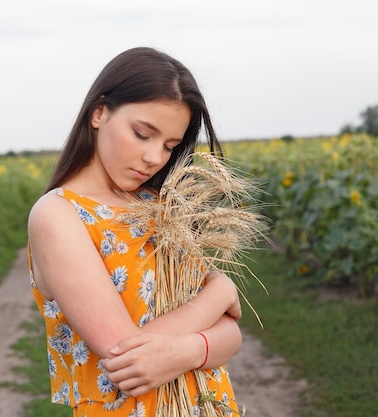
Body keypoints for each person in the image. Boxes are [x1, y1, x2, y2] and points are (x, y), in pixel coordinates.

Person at [27, 46, 243, 416]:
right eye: (143, 134)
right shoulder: (59, 216)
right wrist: (219, 293)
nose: (155, 158)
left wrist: (189, 349)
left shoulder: (161, 205)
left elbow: (233, 335)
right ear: (99, 113)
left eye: (169, 146)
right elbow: (127, 357)